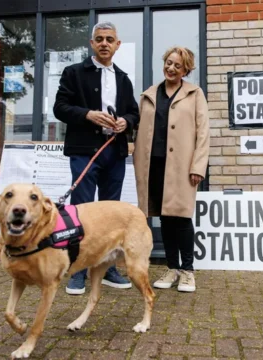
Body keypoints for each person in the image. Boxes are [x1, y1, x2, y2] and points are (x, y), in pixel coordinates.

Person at [53, 21, 139, 295]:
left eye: (109, 39)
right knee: (81, 211)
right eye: (99, 39)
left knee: (111, 212)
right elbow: (60, 107)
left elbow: (134, 113)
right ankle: (77, 269)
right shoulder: (73, 72)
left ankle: (109, 267)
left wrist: (126, 121)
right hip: (84, 150)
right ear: (92, 43)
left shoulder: (124, 78)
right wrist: (88, 114)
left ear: (117, 45)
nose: (104, 43)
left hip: (114, 152)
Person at [133, 46, 210, 293]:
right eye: (168, 62)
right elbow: (137, 128)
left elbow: (203, 133)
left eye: (177, 65)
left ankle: (187, 271)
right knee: (165, 217)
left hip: (181, 166)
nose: (171, 68)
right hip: (153, 164)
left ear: (186, 69)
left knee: (182, 217)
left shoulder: (194, 94)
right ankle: (172, 267)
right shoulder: (149, 95)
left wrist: (198, 165)